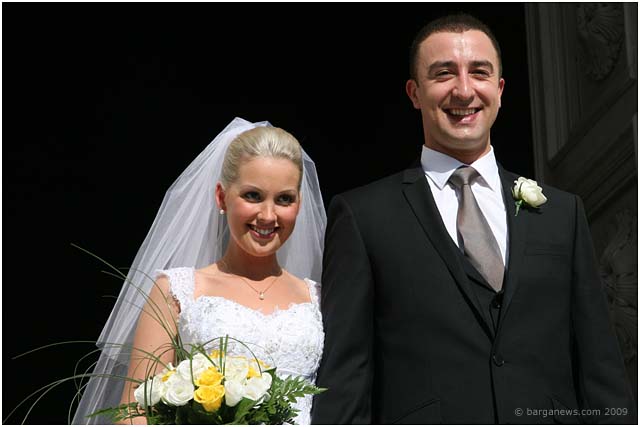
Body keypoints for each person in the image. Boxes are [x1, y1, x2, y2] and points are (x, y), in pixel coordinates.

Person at [311, 13, 636, 424]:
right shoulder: (363, 216)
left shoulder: (562, 213)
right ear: (414, 93)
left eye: (479, 73)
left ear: (499, 89)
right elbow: (346, 380)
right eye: (443, 73)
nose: (464, 90)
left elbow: (601, 369)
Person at [72, 118, 326, 425]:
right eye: (253, 196)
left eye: (284, 199)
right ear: (221, 197)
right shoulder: (176, 290)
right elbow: (134, 412)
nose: (268, 215)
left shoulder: (318, 298)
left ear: (299, 204)